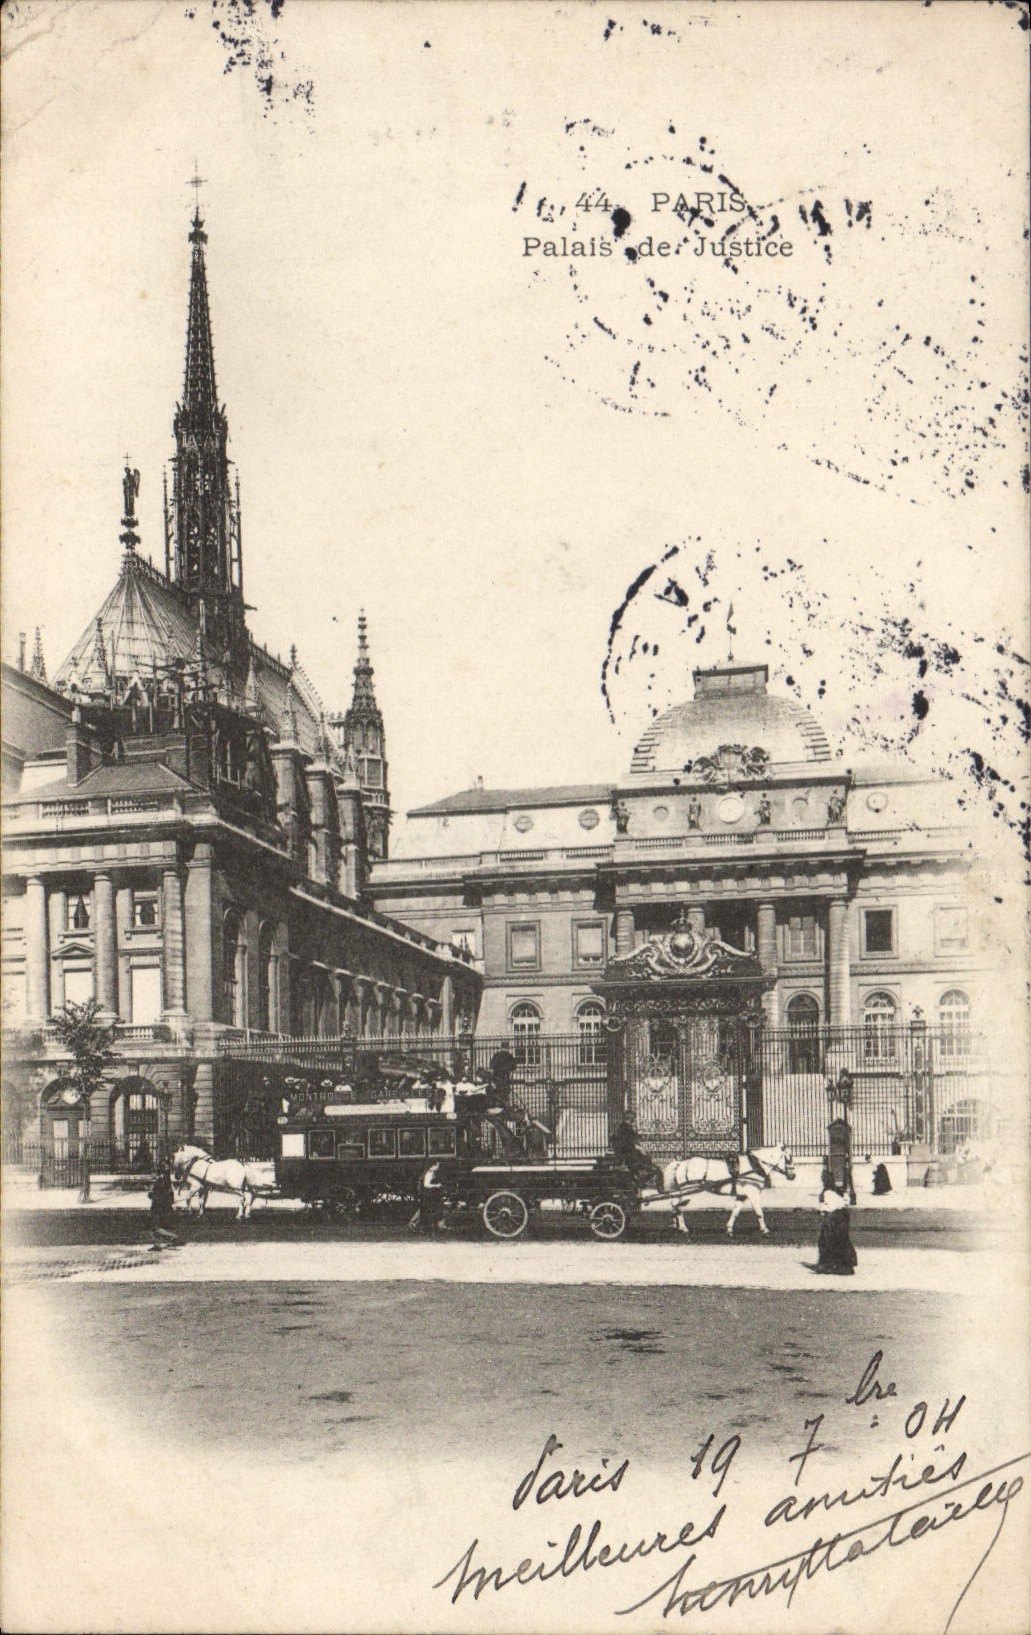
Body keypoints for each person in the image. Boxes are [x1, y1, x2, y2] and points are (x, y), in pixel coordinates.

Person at [816, 1178, 857, 1275]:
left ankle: (828, 1265)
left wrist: (822, 1210)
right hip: (843, 1216)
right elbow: (847, 1202)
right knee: (842, 1240)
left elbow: (825, 1208)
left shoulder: (825, 1193)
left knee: (826, 1241)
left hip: (832, 1219)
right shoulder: (841, 1192)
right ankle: (845, 1265)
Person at [148, 1166, 181, 1251]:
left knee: (155, 1227)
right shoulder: (165, 1182)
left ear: (158, 1174)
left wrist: (150, 1193)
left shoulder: (159, 1183)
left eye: (153, 1173)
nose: (152, 1175)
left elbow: (156, 1196)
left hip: (157, 1208)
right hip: (161, 1208)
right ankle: (157, 1245)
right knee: (153, 1228)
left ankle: (173, 1237)